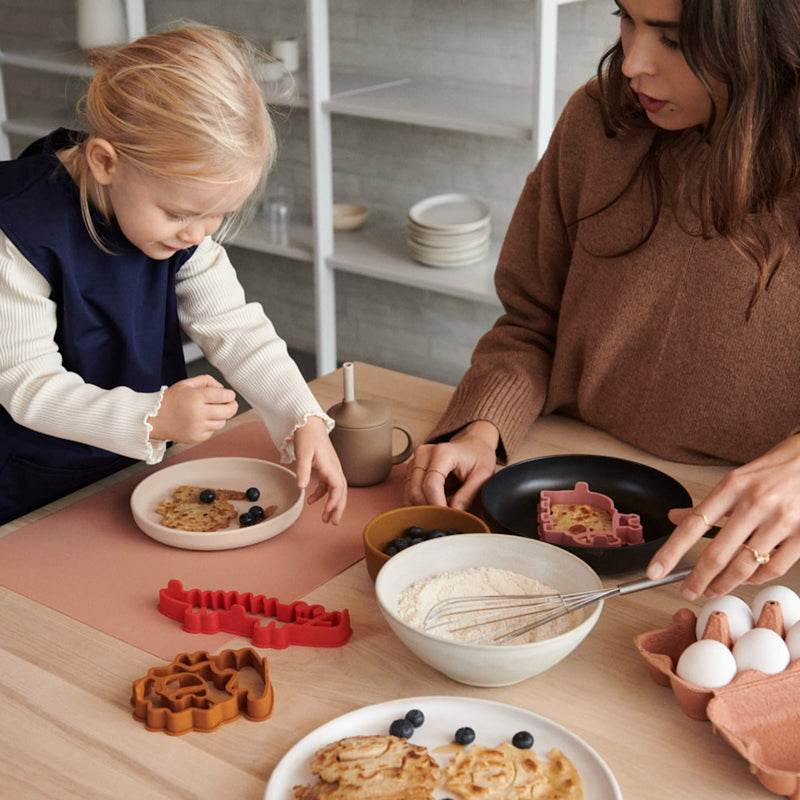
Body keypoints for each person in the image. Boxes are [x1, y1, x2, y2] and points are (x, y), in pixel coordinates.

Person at [404, 0, 800, 602]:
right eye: (626, 17)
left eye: (672, 37)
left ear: (766, 35)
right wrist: (483, 427)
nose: (634, 64)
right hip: (566, 469)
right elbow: (532, 321)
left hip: (745, 535)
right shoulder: (597, 120)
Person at [0, 24, 347, 526]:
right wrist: (154, 417)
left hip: (129, 470)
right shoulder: (18, 228)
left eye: (219, 216)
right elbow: (26, 384)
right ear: (104, 162)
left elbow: (235, 328)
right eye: (181, 213)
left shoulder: (180, 226)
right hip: (29, 488)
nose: (199, 234)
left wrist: (302, 417)